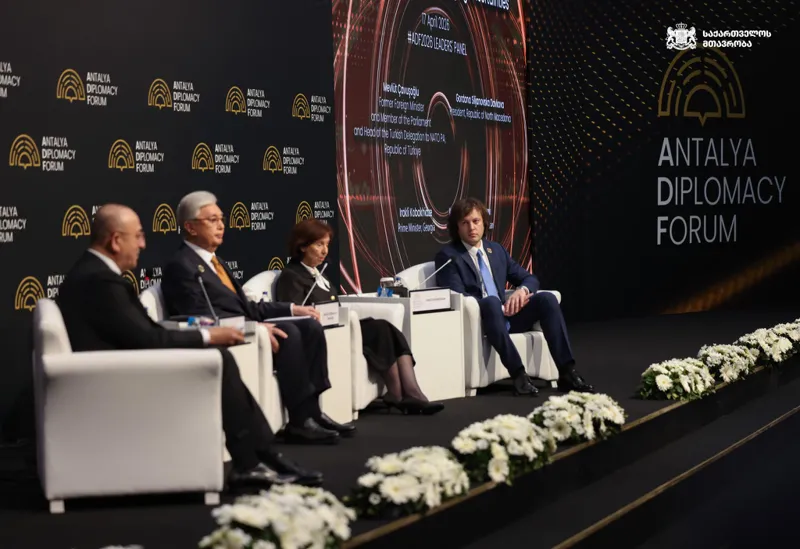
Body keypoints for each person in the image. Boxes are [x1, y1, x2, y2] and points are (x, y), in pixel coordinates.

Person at [56, 204, 322, 489]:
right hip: (115, 380)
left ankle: (258, 458)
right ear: (116, 241)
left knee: (220, 359)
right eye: (139, 236)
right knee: (219, 357)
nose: (143, 244)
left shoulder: (95, 273)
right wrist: (208, 336)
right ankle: (256, 460)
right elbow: (148, 339)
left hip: (118, 368)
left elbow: (144, 333)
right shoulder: (101, 281)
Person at [160, 191, 355, 444]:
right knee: (289, 332)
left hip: (246, 325)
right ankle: (299, 421)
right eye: (212, 220)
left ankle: (313, 411)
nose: (221, 226)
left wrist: (292, 309)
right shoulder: (182, 266)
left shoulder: (216, 262)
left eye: (222, 219)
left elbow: (246, 307)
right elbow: (202, 316)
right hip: (230, 334)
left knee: (309, 326)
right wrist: (256, 327)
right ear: (190, 227)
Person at [276, 219, 444, 415]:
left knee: (386, 328)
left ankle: (410, 393)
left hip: (340, 327)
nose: (325, 251)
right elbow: (295, 313)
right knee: (379, 329)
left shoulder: (319, 274)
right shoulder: (292, 275)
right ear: (303, 246)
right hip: (323, 334)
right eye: (319, 244)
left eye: (327, 245)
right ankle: (399, 394)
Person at [435, 198, 594, 396]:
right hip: (481, 321)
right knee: (492, 302)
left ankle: (567, 371)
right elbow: (458, 295)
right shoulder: (449, 256)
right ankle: (518, 374)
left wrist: (522, 291)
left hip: (508, 317)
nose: (472, 228)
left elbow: (529, 278)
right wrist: (499, 307)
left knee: (547, 300)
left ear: (484, 222)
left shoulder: (496, 250)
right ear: (457, 227)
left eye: (476, 221)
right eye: (465, 223)